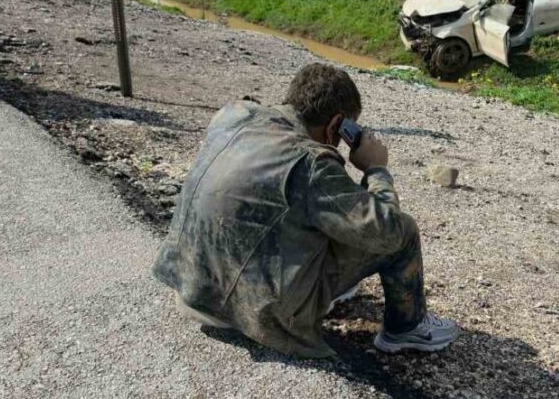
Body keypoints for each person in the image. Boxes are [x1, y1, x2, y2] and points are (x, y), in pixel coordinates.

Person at [153, 63, 459, 357]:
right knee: (404, 231)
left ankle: (329, 290)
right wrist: (376, 169)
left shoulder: (233, 115)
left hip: (192, 289)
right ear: (336, 126)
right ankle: (407, 329)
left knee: (321, 212)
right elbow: (387, 231)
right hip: (256, 316)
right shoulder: (312, 162)